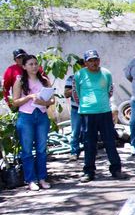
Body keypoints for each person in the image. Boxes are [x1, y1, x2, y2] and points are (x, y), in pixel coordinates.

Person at [73, 49, 125, 182]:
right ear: (85, 63)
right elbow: (76, 94)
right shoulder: (79, 75)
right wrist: (87, 105)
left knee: (110, 142)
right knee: (89, 143)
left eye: (95, 60)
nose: (94, 63)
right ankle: (89, 171)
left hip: (104, 112)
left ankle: (116, 169)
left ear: (99, 60)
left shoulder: (106, 73)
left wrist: (102, 103)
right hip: (87, 114)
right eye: (90, 60)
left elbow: (110, 90)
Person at [10, 55, 55, 191]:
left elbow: (52, 100)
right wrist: (29, 97)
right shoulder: (20, 81)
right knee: (27, 150)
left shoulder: (44, 80)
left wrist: (45, 102)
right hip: (26, 116)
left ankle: (42, 178)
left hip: (41, 115)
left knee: (41, 149)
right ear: (24, 67)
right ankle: (30, 180)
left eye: (36, 64)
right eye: (30, 64)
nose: (34, 66)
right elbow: (15, 102)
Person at [64, 59, 86, 160]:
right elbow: (66, 94)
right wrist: (75, 87)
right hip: (75, 108)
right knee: (75, 131)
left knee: (89, 131)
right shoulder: (71, 78)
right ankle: (74, 151)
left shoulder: (89, 78)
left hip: (89, 109)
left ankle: (90, 151)